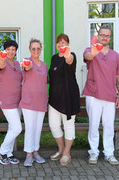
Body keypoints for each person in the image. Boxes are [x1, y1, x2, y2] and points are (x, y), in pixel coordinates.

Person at [83, 26, 119, 165]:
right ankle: (94, 152)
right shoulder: (90, 50)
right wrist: (94, 52)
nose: (105, 37)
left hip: (110, 95)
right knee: (93, 125)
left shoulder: (115, 55)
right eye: (102, 35)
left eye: (107, 35)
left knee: (109, 126)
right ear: (98, 36)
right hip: (94, 94)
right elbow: (87, 57)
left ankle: (109, 153)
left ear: (110, 37)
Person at [48, 33, 80, 166]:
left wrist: (67, 54)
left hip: (68, 97)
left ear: (68, 44)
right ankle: (60, 150)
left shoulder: (71, 55)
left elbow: (69, 60)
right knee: (54, 126)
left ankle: (67, 153)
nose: (61, 44)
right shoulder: (54, 57)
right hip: (54, 98)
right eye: (59, 42)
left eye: (64, 42)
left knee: (68, 126)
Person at [19, 38, 48, 167]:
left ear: (40, 50)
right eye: (33, 49)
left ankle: (35, 152)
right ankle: (29, 155)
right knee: (30, 129)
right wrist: (28, 65)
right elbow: (27, 67)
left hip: (41, 101)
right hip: (28, 101)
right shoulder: (27, 62)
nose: (36, 51)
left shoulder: (44, 65)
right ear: (30, 50)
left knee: (37, 129)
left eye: (38, 48)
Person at [0, 40, 22, 165]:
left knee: (12, 128)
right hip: (7, 100)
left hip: (18, 100)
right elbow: (1, 65)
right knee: (17, 128)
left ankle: (9, 154)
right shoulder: (2, 62)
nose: (11, 51)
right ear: (4, 50)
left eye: (13, 49)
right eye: (8, 49)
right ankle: (1, 152)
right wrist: (2, 58)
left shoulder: (17, 63)